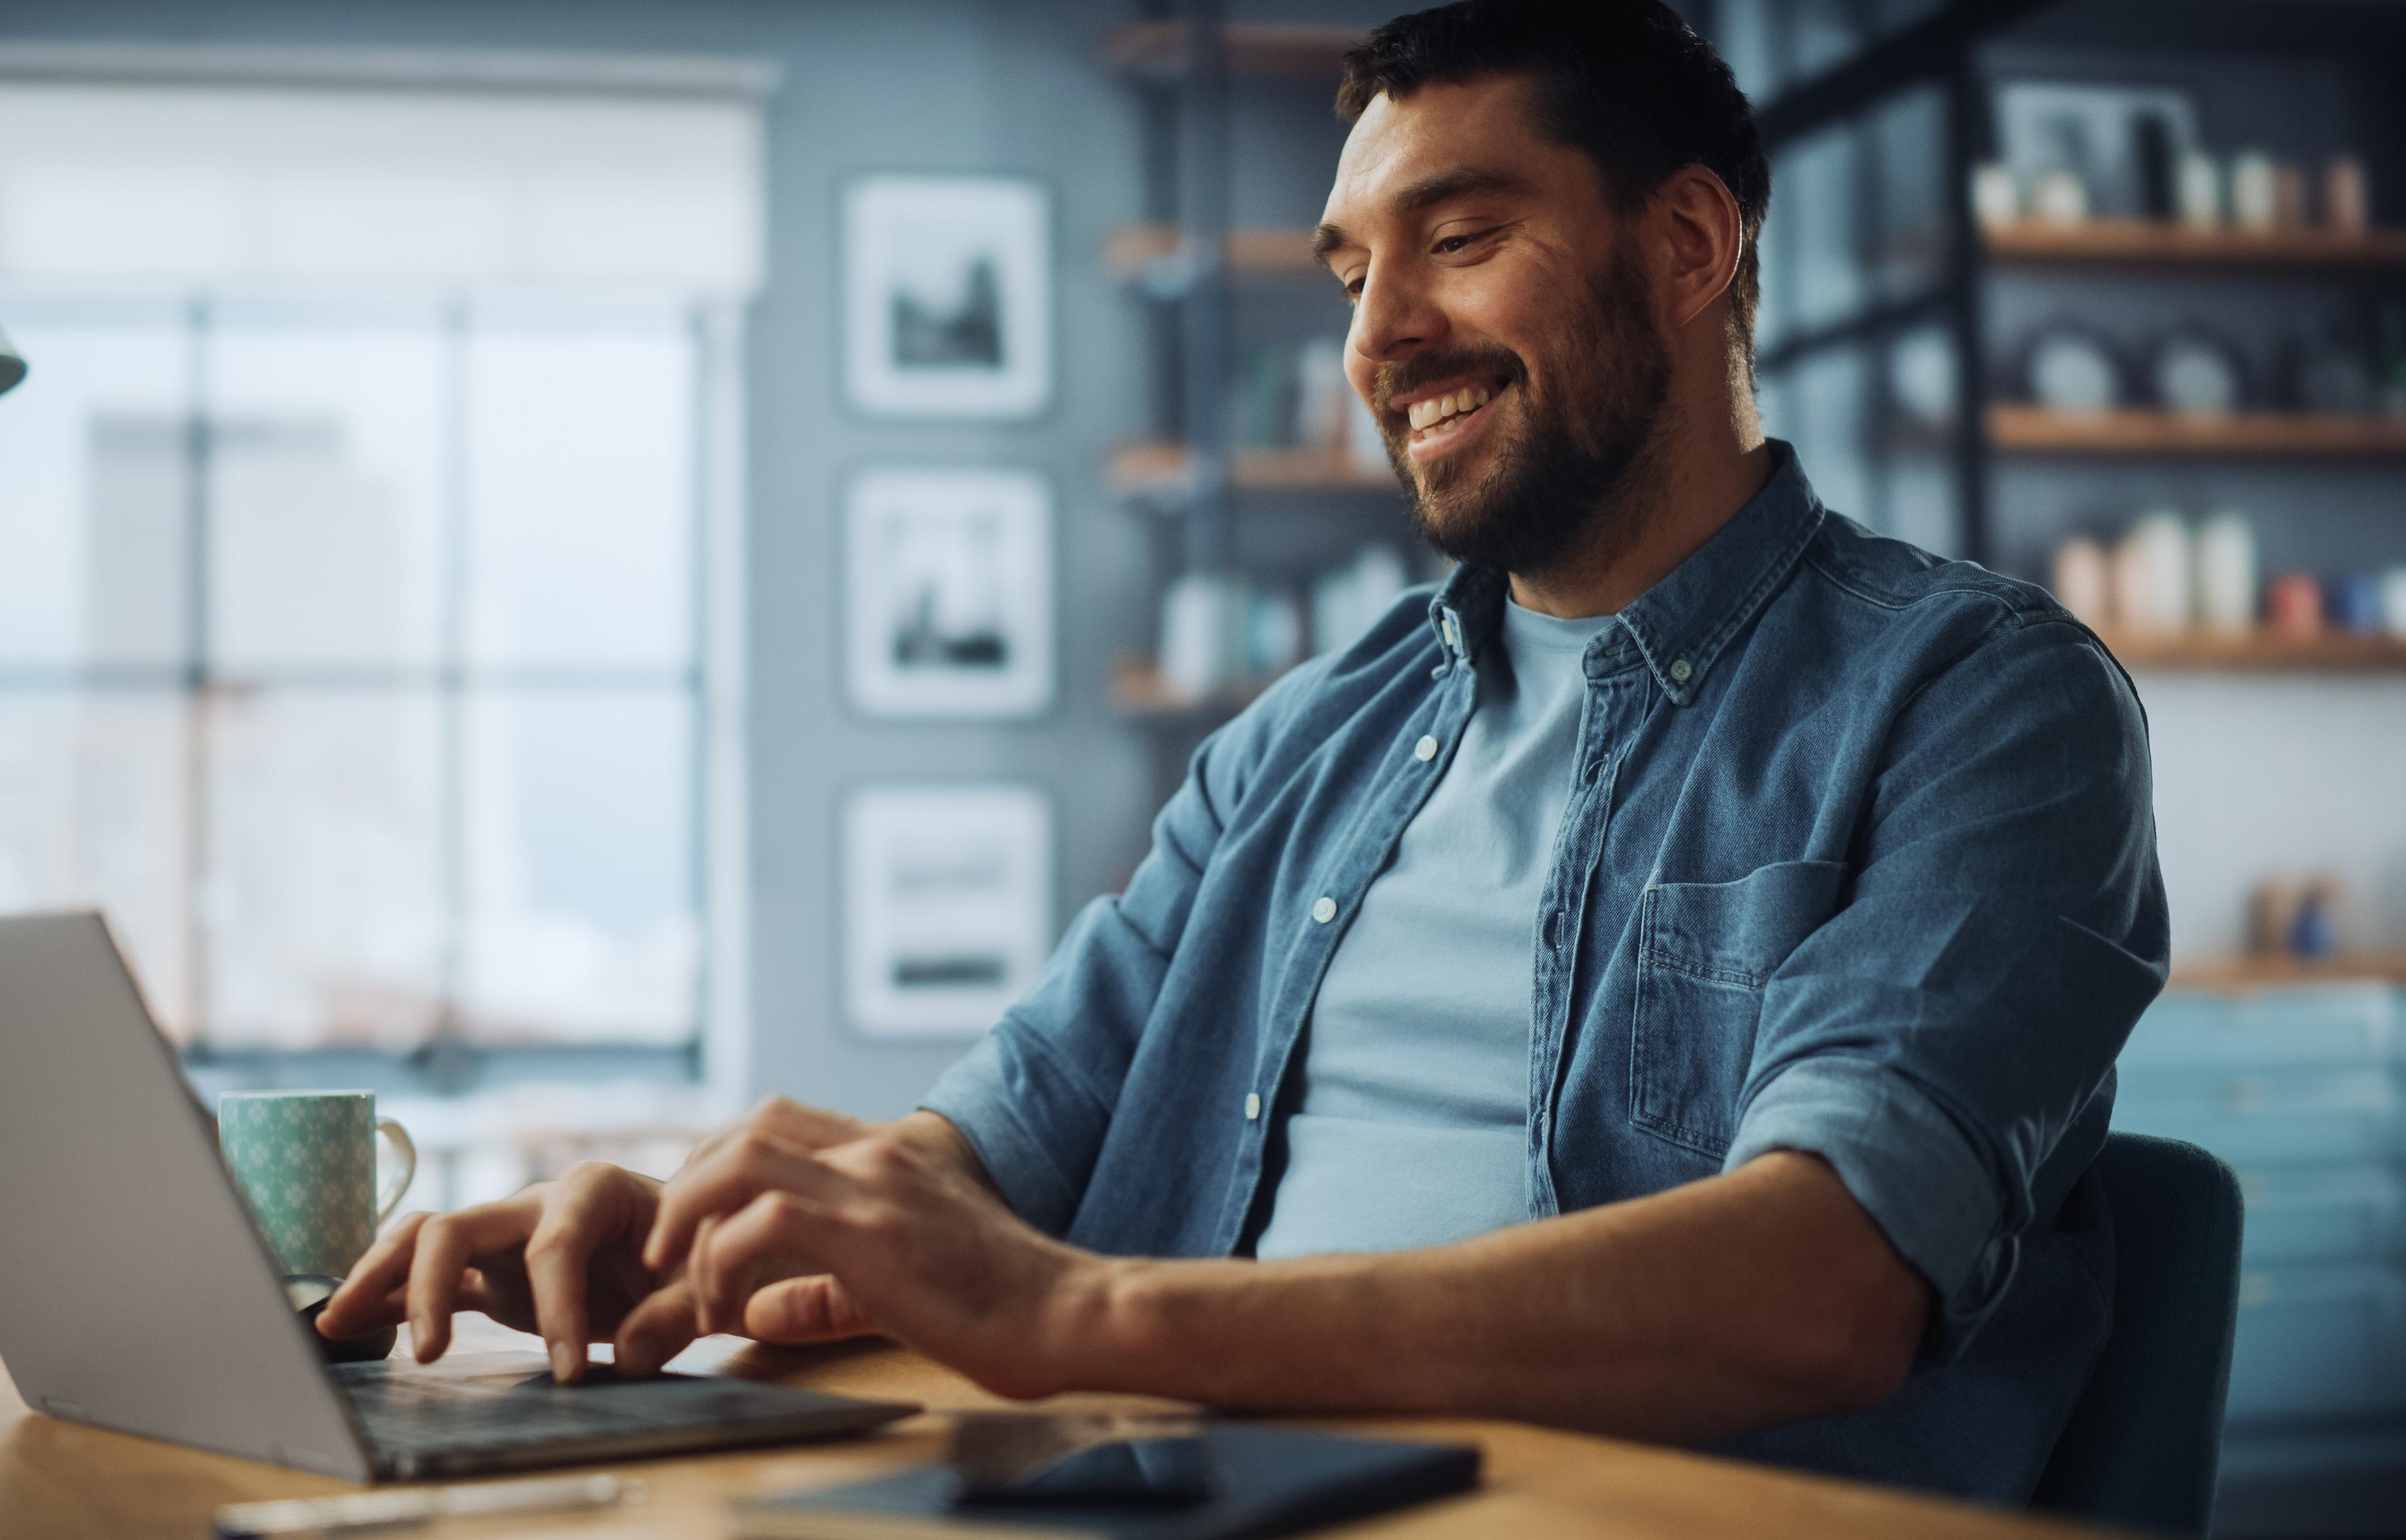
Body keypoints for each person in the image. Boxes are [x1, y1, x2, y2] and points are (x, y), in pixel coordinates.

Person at [319, 0, 2165, 1502]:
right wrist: (693, 1239)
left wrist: (1082, 1318)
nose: (1381, 338)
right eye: (1353, 268)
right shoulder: (1302, 744)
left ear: (1687, 245)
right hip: (1191, 1491)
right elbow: (1000, 1152)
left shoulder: (1985, 702)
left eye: (1462, 238)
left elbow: (1817, 1288)